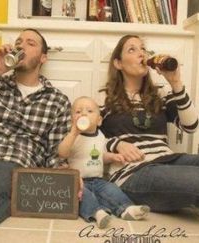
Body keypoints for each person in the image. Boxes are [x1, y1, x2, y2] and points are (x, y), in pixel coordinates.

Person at [0, 28, 71, 242]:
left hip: (15, 160)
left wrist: (66, 181)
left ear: (43, 57)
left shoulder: (57, 101)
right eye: (19, 41)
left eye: (31, 43)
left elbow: (55, 153)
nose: (21, 45)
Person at [100, 34, 199, 213]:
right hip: (135, 172)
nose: (141, 54)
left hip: (169, 160)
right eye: (132, 49)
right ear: (118, 63)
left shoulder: (160, 94)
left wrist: (175, 82)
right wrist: (116, 144)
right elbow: (84, 139)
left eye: (143, 49)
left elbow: (191, 126)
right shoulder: (105, 98)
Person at [58, 96, 150, 229]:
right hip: (79, 181)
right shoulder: (73, 137)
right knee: (84, 197)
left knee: (112, 190)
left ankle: (127, 209)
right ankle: (97, 213)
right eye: (78, 112)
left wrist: (112, 157)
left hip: (98, 180)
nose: (83, 114)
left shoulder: (101, 136)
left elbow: (99, 156)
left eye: (89, 111)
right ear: (72, 119)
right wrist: (73, 133)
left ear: (99, 120)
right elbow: (62, 153)